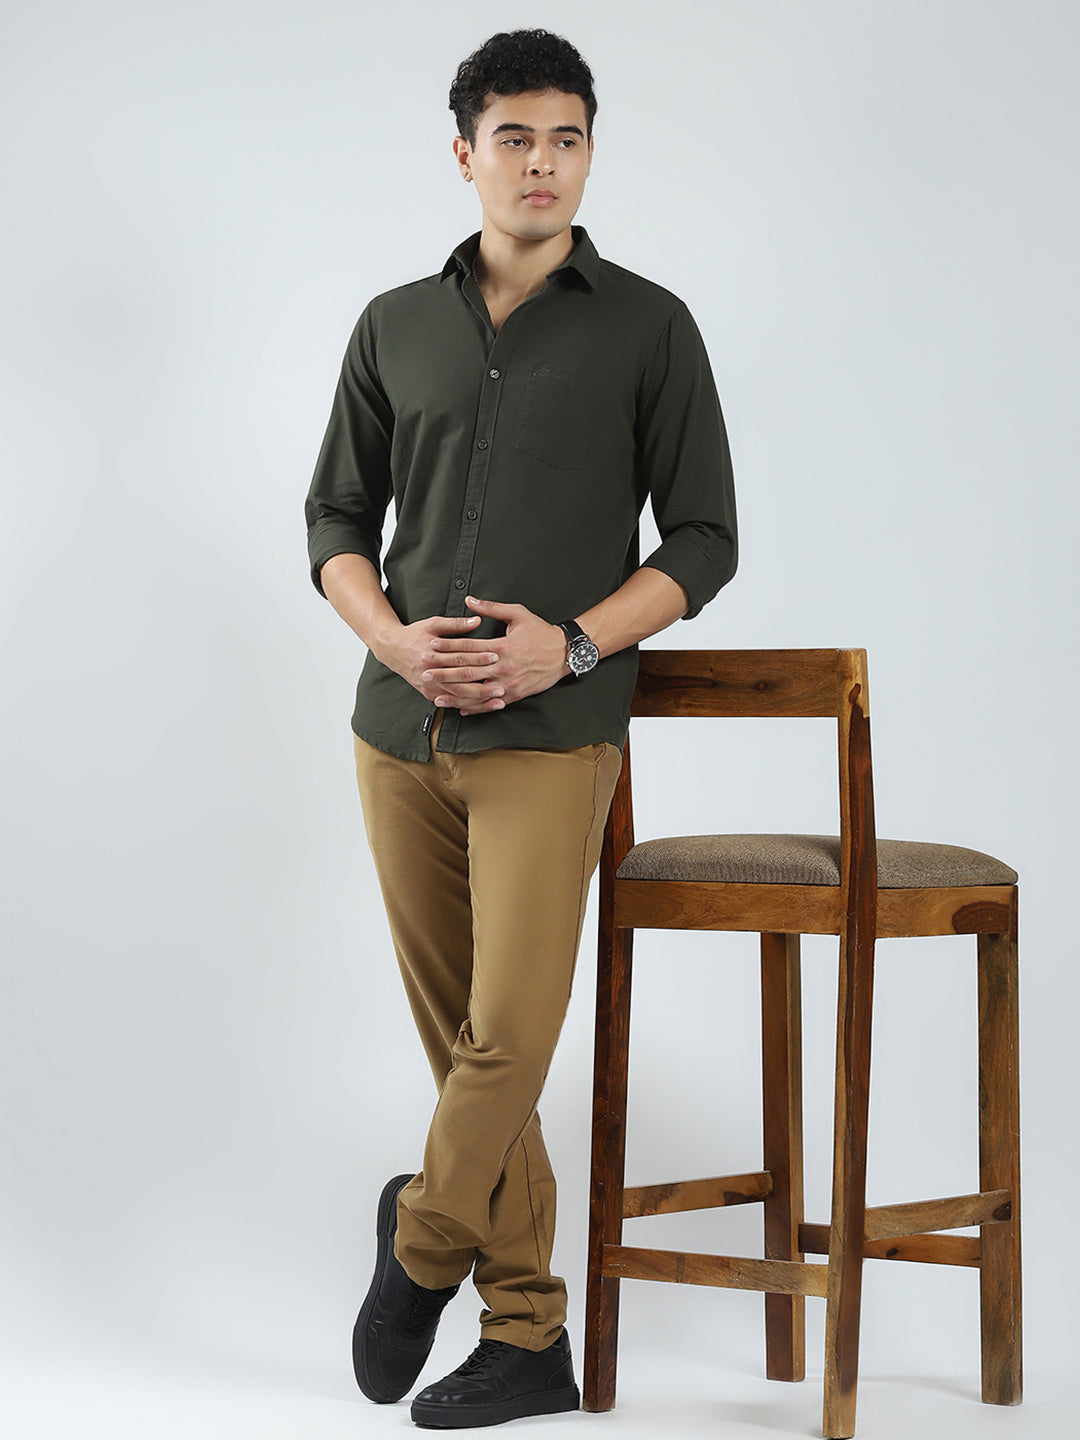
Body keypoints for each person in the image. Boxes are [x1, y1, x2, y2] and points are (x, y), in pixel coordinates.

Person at [304, 27, 737, 1430]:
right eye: (514, 138)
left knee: (508, 1038)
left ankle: (421, 1243)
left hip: (553, 739)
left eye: (566, 138)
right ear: (465, 154)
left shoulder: (649, 327)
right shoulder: (393, 325)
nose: (541, 162)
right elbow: (334, 520)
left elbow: (707, 539)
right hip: (396, 736)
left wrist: (576, 641)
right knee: (463, 1051)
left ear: (590, 154)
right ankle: (530, 1337)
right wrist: (388, 636)